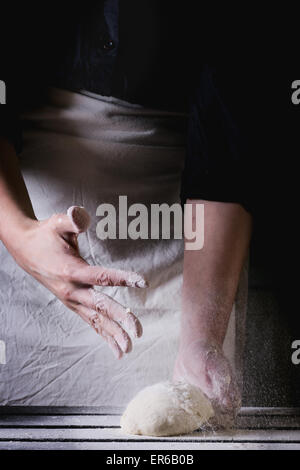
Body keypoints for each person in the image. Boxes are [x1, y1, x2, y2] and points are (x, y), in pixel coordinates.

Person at [0, 1, 253, 416]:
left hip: (191, 224)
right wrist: (21, 234)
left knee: (191, 396)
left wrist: (201, 339)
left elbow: (236, 97)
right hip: (24, 201)